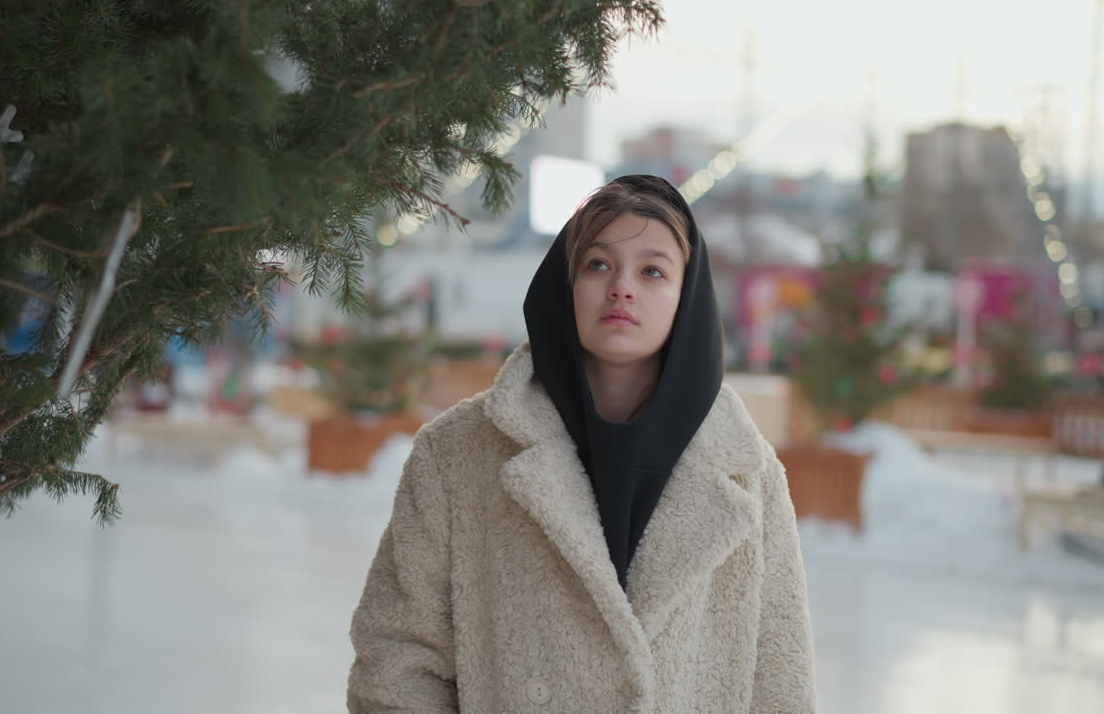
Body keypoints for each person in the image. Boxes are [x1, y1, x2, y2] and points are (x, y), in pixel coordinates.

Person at [347, 174, 818, 713]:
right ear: (564, 282)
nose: (622, 286)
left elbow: (781, 682)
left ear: (686, 296)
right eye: (598, 264)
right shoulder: (455, 454)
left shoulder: (747, 473)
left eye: (653, 271)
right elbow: (398, 663)